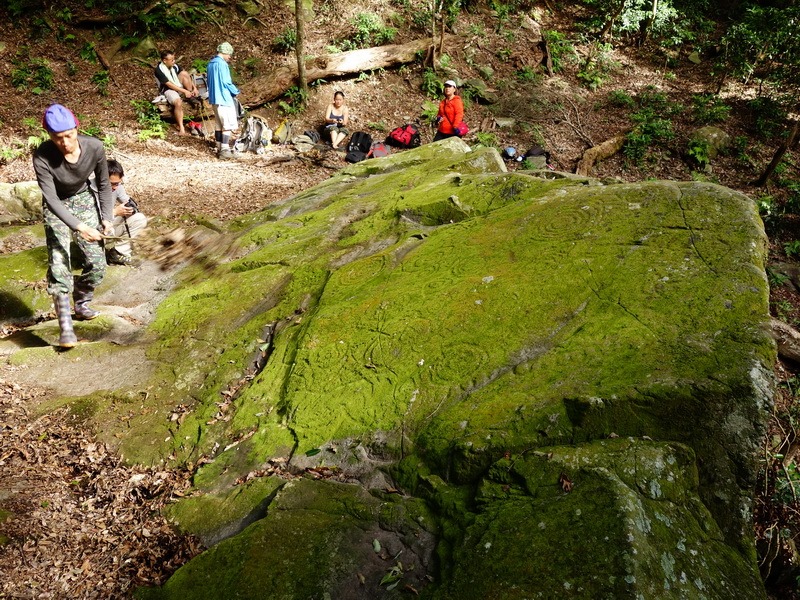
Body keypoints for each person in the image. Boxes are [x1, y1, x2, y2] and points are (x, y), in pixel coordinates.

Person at [33, 104, 114, 348]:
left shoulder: (95, 147)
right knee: (59, 259)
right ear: (48, 135)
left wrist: (107, 218)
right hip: (57, 205)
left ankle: (81, 301)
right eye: (58, 138)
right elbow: (50, 198)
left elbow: (103, 184)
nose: (65, 143)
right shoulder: (42, 156)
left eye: (69, 135)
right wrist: (79, 226)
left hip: (83, 199)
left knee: (98, 263)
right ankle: (65, 325)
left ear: (77, 129)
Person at [104, 159, 148, 266]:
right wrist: (114, 212)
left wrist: (131, 208)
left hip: (110, 227)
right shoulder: (90, 190)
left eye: (118, 183)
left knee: (139, 218)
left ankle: (118, 253)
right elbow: (88, 219)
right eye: (112, 184)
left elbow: (128, 202)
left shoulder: (117, 188)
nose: (115, 187)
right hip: (92, 231)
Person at [207, 42, 241, 159]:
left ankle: (219, 147)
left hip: (214, 99)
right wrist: (235, 91)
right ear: (225, 52)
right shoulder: (222, 64)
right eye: (229, 54)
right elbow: (226, 82)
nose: (230, 57)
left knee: (218, 124)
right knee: (227, 124)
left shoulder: (211, 64)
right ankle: (225, 150)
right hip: (224, 97)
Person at [154, 50, 200, 136]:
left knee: (184, 73)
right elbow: (169, 84)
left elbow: (187, 76)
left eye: (174, 59)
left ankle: (190, 95)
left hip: (179, 86)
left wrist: (194, 88)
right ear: (164, 60)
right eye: (171, 60)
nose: (174, 61)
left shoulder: (175, 66)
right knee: (178, 102)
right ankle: (181, 128)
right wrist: (184, 91)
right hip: (168, 90)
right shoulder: (159, 70)